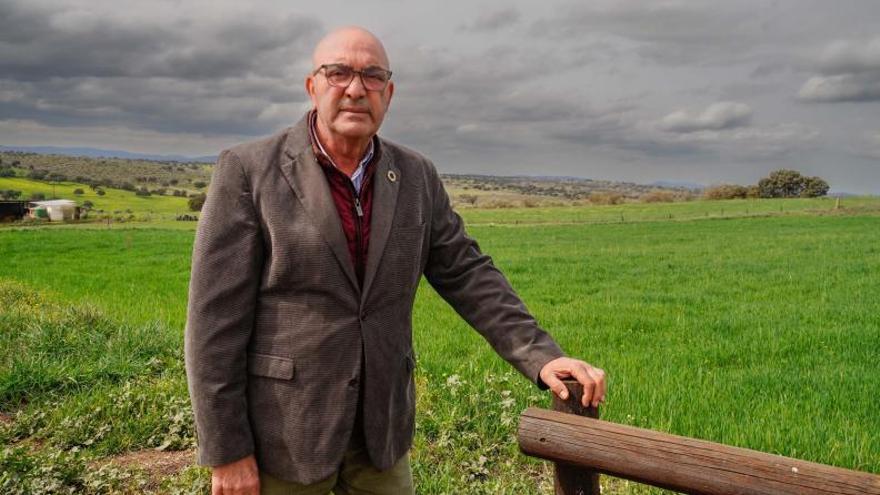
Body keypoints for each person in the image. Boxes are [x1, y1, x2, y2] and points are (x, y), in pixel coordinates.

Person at [184, 26, 606, 495]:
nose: (355, 88)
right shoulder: (249, 170)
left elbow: (467, 272)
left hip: (381, 435)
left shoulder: (415, 175)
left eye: (372, 76)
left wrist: (542, 356)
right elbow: (213, 324)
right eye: (338, 73)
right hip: (283, 436)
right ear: (312, 86)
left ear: (389, 92)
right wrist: (226, 451)